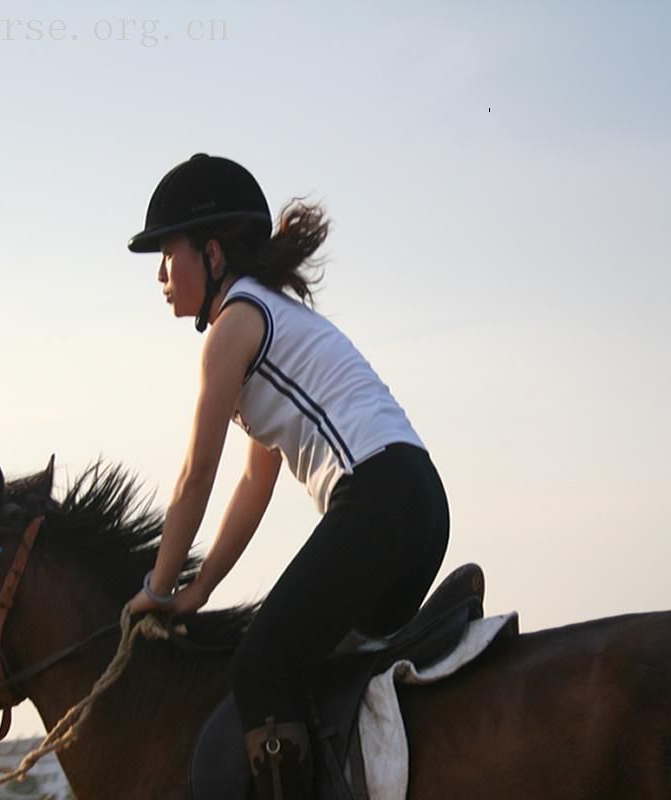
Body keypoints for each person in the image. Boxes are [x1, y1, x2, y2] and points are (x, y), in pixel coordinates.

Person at [125, 154, 449, 799]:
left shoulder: (233, 329)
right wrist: (199, 589)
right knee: (313, 671)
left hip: (377, 499)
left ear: (212, 253)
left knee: (261, 668)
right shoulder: (271, 322)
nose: (161, 274)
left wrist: (157, 591)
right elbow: (252, 488)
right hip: (418, 503)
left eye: (168, 253)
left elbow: (196, 479)